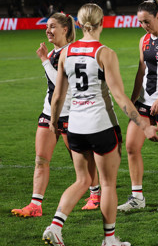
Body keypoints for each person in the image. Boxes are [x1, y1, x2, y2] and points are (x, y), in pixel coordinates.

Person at [42, 3, 158, 246]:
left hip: (75, 126)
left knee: (82, 180)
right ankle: (109, 239)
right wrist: (144, 125)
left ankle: (55, 225)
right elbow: (120, 97)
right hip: (100, 126)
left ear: (79, 24)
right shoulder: (105, 53)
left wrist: (53, 122)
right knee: (107, 184)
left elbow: (58, 96)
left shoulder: (67, 52)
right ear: (102, 23)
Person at [12, 13, 101, 218]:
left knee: (80, 161)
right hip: (49, 113)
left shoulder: (71, 53)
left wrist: (44, 60)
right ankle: (35, 205)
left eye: (52, 27)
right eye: (47, 27)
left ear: (65, 30)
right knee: (41, 159)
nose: (48, 30)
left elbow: (64, 85)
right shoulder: (54, 53)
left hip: (72, 115)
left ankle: (95, 196)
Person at [117, 0, 158, 212]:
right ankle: (137, 197)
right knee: (131, 146)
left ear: (157, 16)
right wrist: (134, 99)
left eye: (146, 21)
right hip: (145, 102)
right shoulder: (143, 40)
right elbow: (141, 71)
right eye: (140, 22)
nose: (144, 25)